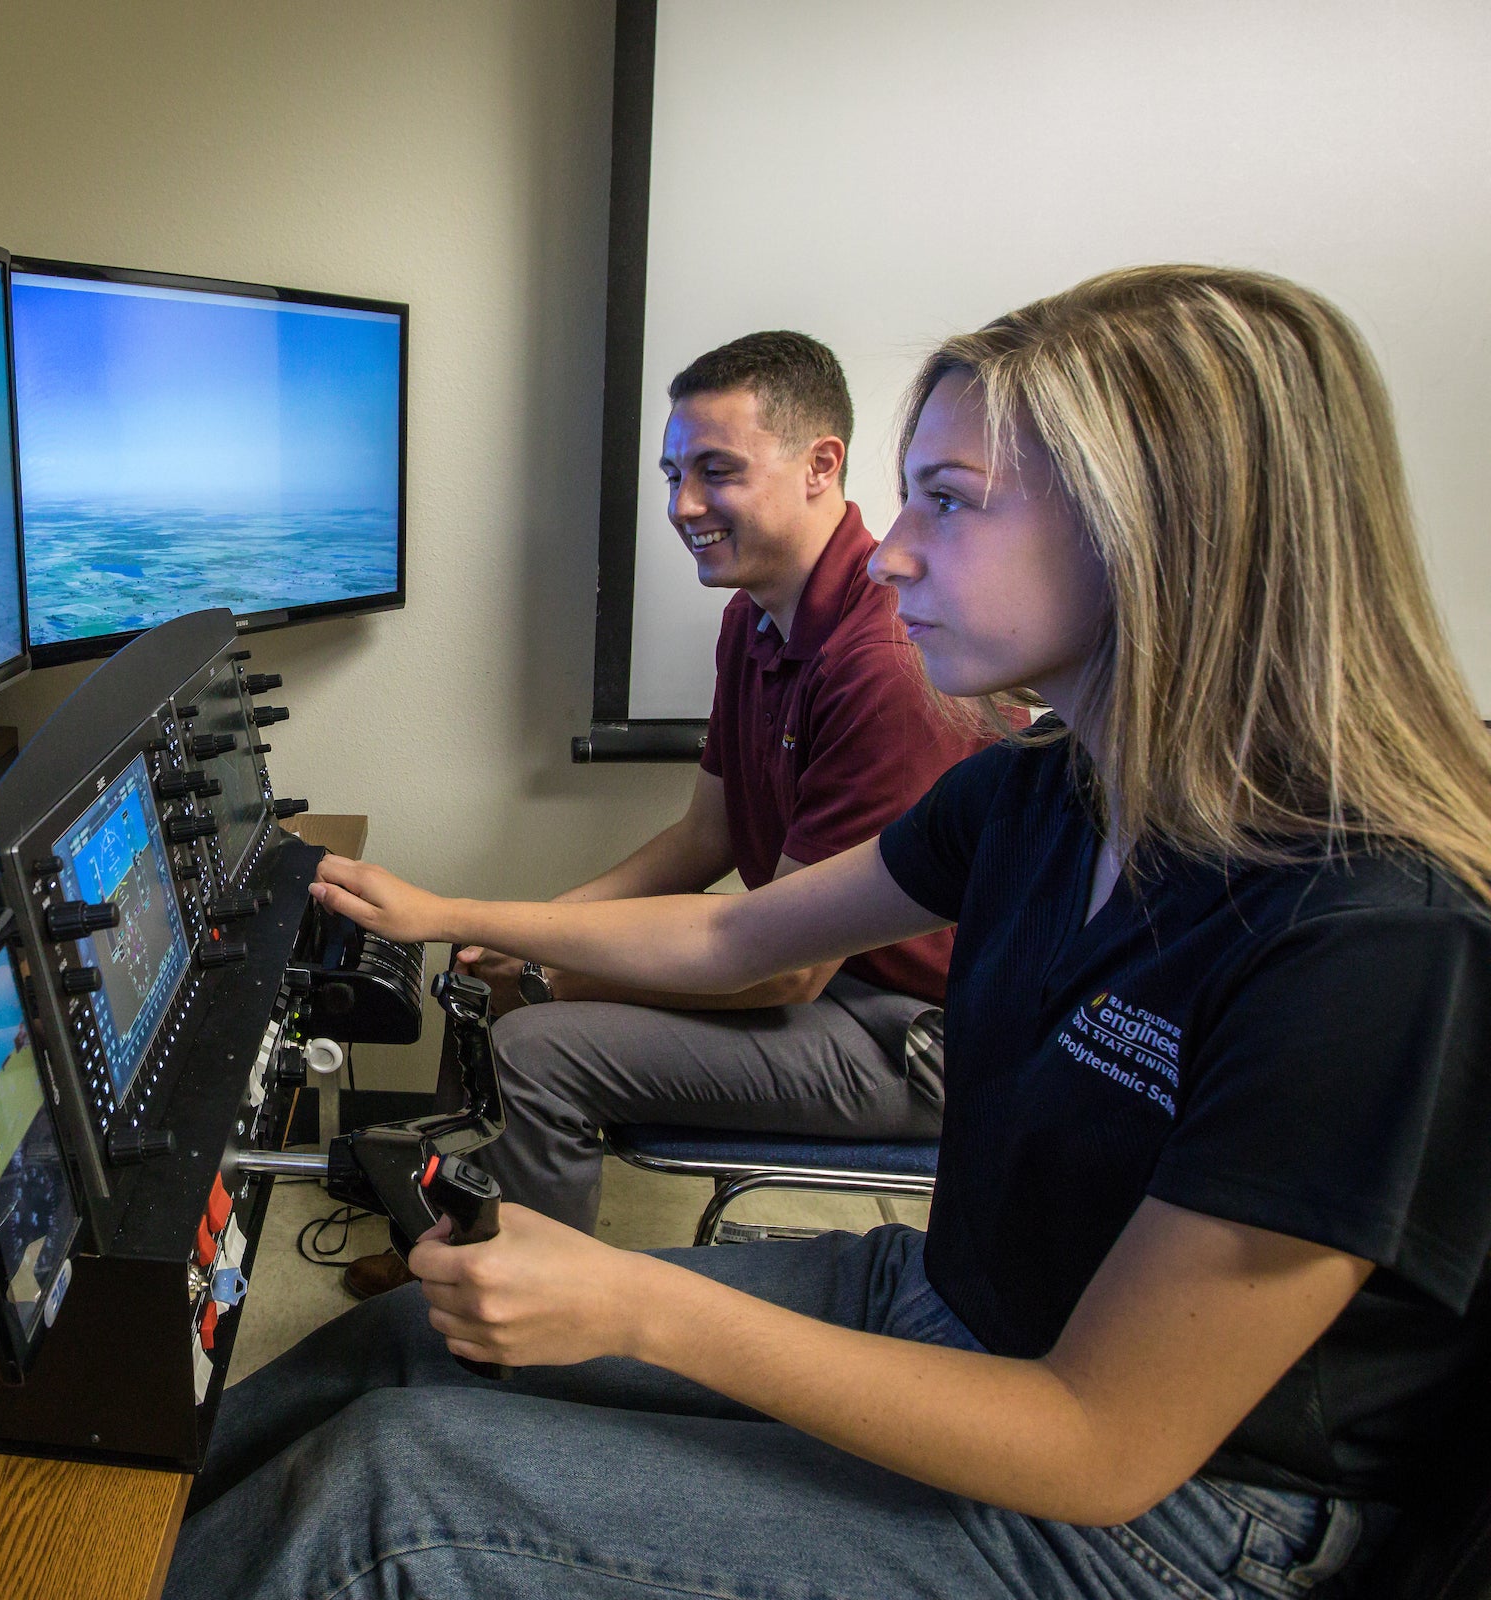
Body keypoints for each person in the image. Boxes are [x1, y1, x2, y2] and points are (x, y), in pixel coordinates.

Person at [166, 265, 1491, 1600]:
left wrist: (637, 1302)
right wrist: (446, 912)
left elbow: (1104, 1444)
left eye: (953, 502)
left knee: (385, 1499)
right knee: (412, 1340)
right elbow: (732, 941)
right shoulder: (1038, 792)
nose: (898, 545)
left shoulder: (1374, 942)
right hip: (965, 1305)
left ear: (1165, 528)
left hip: (1172, 1514)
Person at [343, 333, 986, 1300]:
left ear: (822, 466)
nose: (684, 505)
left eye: (716, 471)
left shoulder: (882, 663)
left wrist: (546, 964)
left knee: (538, 1040)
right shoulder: (754, 618)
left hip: (911, 1029)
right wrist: (531, 942)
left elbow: (785, 967)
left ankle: (531, 1322)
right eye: (674, 473)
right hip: (816, 973)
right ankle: (464, 1240)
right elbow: (704, 841)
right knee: (498, 986)